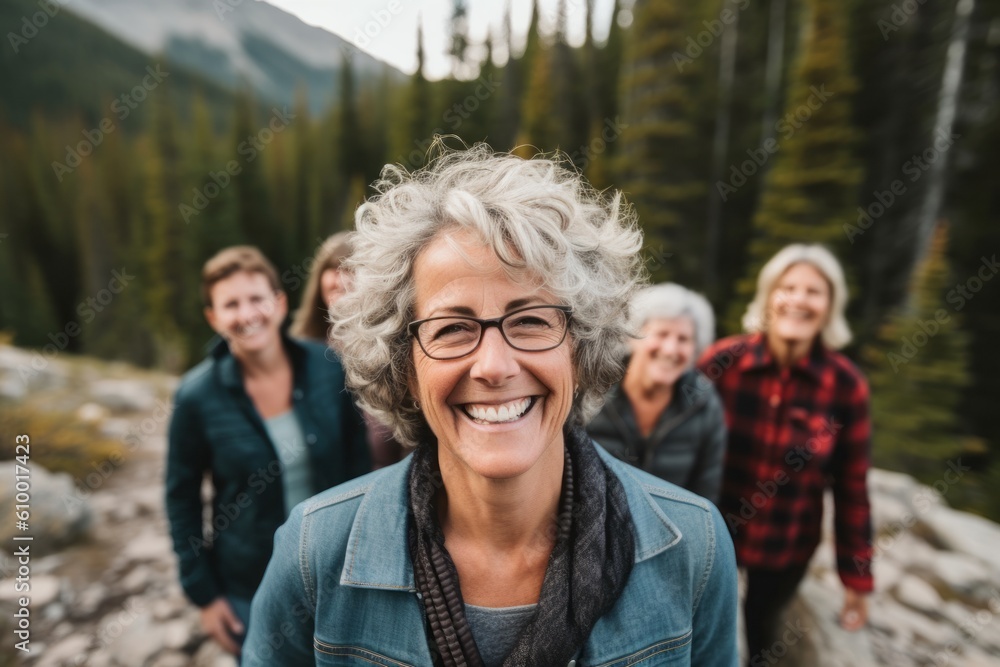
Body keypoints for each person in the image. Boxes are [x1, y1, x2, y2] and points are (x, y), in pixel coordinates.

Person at [243, 146, 738, 666]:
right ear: (405, 369)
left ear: (580, 347)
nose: (494, 366)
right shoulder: (314, 551)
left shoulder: (693, 547)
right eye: (453, 329)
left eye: (531, 321)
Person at [165, 246, 371, 660]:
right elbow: (181, 499)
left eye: (257, 298)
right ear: (213, 317)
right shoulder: (196, 397)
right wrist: (204, 595)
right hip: (249, 584)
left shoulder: (328, 367)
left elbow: (358, 466)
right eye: (231, 304)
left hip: (337, 571)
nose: (247, 314)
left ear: (279, 303)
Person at [696, 244, 873, 666]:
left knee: (764, 638)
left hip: (787, 545)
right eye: (787, 287)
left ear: (830, 306)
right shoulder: (721, 362)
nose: (798, 300)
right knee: (698, 636)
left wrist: (856, 578)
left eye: (813, 292)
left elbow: (852, 488)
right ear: (768, 296)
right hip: (712, 536)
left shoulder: (846, 385)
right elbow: (678, 446)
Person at [587, 283, 727, 503]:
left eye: (683, 339)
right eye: (661, 334)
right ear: (632, 336)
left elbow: (705, 497)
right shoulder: (592, 389)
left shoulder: (704, 404)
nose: (670, 349)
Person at [291, 232, 403, 468]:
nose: (340, 280)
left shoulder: (391, 344)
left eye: (351, 270)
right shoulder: (300, 350)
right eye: (332, 269)